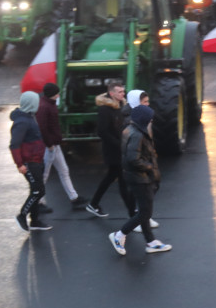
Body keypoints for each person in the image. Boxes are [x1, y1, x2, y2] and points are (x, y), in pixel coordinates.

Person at [109, 105, 171, 255]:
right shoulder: (138, 134)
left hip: (136, 178)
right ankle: (119, 235)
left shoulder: (131, 129)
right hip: (140, 179)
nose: (151, 120)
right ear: (144, 119)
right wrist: (150, 167)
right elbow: (133, 159)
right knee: (144, 213)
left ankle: (150, 242)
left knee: (144, 211)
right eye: (149, 118)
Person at [86, 81, 135, 219]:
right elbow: (102, 132)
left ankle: (93, 204)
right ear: (112, 93)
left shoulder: (121, 107)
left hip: (120, 148)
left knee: (111, 177)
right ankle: (132, 214)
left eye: (123, 91)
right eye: (119, 92)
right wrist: (119, 144)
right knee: (122, 182)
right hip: (114, 151)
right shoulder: (105, 110)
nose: (123, 94)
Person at [36, 83, 87, 211]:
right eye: (57, 93)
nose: (58, 95)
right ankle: (38, 202)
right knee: (46, 174)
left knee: (62, 170)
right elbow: (43, 128)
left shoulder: (45, 105)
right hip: (51, 146)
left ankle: (73, 197)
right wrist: (50, 145)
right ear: (52, 94)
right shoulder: (47, 107)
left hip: (53, 145)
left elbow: (44, 127)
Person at [11, 91, 51, 231]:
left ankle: (35, 221)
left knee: (36, 190)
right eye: (36, 102)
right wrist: (20, 164)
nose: (39, 104)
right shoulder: (22, 121)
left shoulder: (29, 117)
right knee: (38, 191)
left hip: (37, 160)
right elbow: (14, 144)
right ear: (31, 103)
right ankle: (22, 215)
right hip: (30, 162)